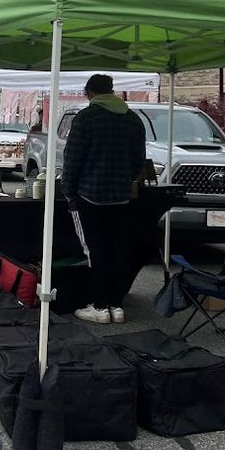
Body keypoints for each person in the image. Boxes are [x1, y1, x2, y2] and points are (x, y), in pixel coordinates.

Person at [61, 73, 146, 325]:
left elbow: (72, 158)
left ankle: (99, 306)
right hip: (121, 196)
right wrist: (125, 179)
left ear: (90, 93)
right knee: (118, 249)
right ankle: (116, 306)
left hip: (90, 195)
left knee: (94, 250)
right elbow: (139, 161)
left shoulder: (86, 118)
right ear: (112, 91)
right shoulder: (133, 119)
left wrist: (68, 190)